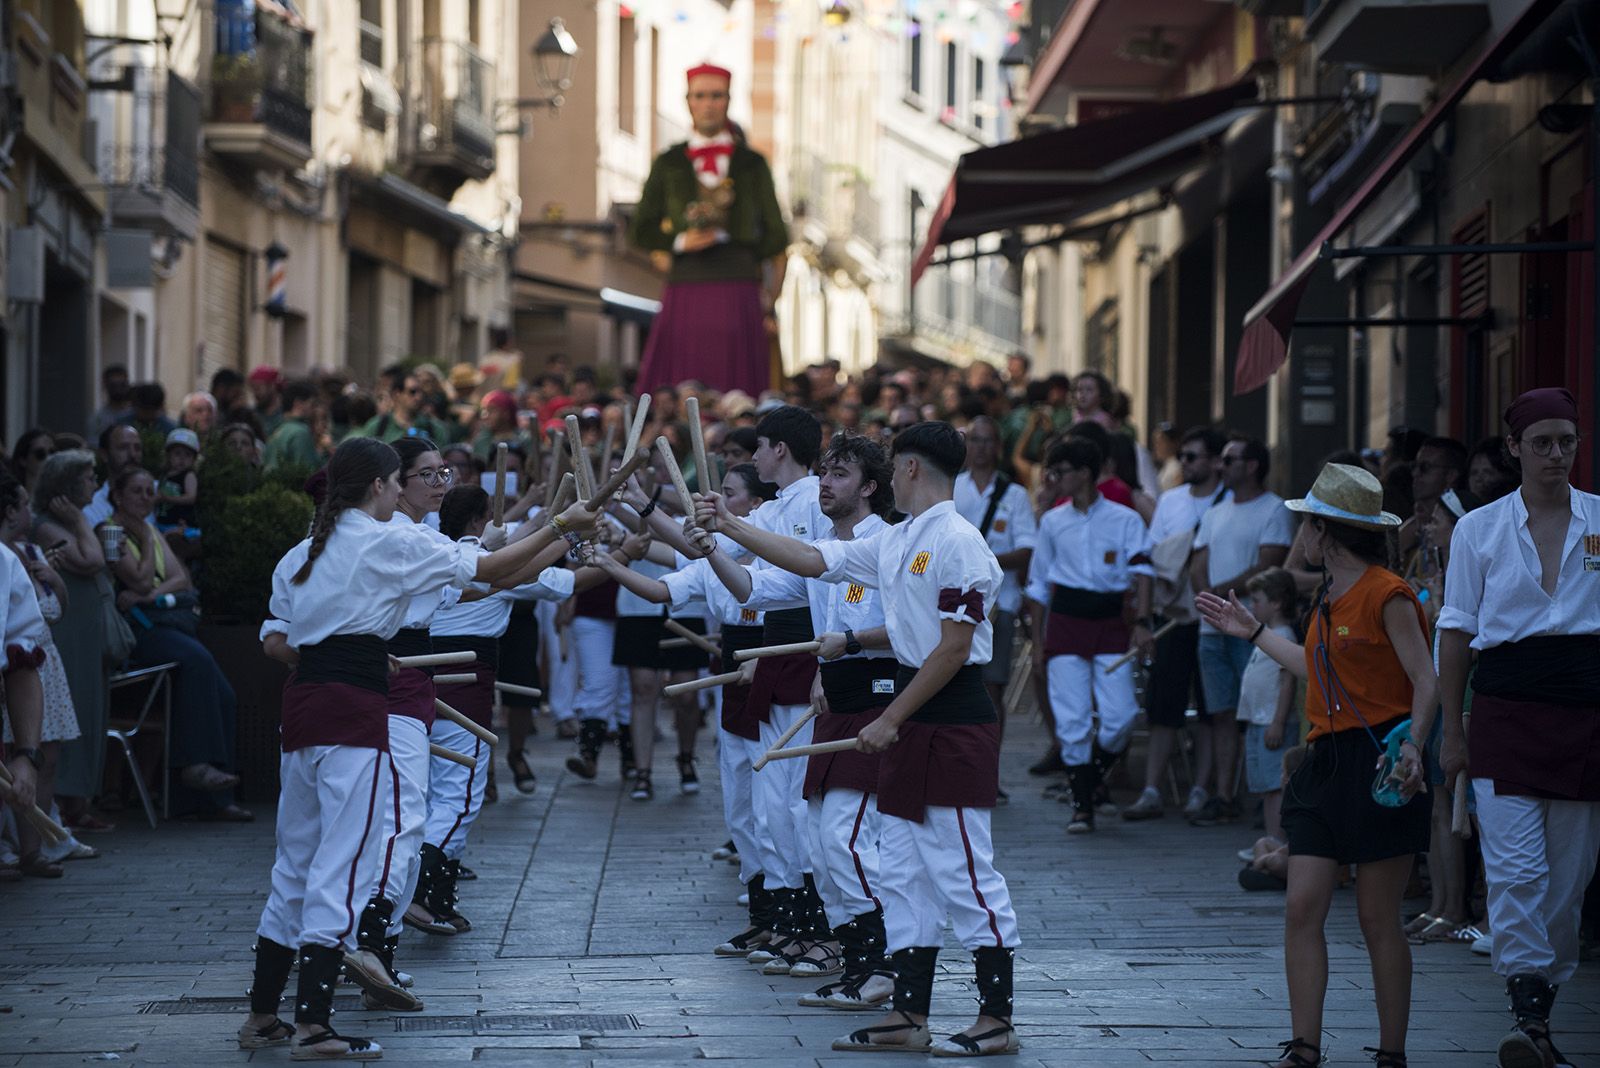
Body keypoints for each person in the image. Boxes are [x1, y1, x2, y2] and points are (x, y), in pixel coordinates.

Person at [239, 436, 598, 1060]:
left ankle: (263, 1015)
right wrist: (563, 524)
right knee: (342, 866)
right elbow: (486, 570)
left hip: (304, 708)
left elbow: (489, 575)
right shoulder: (391, 541)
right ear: (383, 485)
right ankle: (314, 1026)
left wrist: (557, 535)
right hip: (354, 709)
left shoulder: (304, 551)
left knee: (295, 862)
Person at [701, 422, 1021, 1057]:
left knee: (964, 870)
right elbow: (818, 560)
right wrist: (728, 528)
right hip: (914, 716)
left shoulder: (959, 541)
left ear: (906, 470)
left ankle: (997, 1017)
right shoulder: (900, 539)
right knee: (902, 871)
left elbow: (955, 649)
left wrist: (891, 716)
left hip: (952, 721)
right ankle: (909, 1009)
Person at [1197, 462, 1435, 1068]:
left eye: (1306, 521)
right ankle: (1304, 1047)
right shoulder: (1325, 597)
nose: (1299, 530)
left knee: (1377, 917)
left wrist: (1415, 747)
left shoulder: (1388, 592)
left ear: (1325, 532)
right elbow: (1315, 670)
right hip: (1324, 761)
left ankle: (1391, 1052)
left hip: (1380, 759)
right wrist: (1250, 632)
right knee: (1302, 906)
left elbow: (1425, 680)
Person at [1437, 387, 1599, 1068]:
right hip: (1503, 709)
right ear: (1514, 449)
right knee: (1516, 871)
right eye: (1542, 442)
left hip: (1585, 713)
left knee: (1568, 882)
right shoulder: (1478, 529)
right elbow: (1455, 631)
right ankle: (1527, 1015)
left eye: (1566, 441)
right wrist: (1452, 729)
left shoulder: (1599, 522)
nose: (1556, 454)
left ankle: (1541, 1004)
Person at [702, 434, 897, 990]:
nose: (825, 485)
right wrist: (712, 545)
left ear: (870, 487)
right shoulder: (825, 549)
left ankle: (881, 962)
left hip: (880, 700)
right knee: (819, 836)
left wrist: (854, 642)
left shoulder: (886, 544)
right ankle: (854, 958)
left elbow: (917, 627)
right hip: (836, 703)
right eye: (824, 473)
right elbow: (751, 588)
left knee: (845, 838)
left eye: (838, 475)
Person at [602, 464, 777, 955]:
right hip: (735, 672)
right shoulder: (716, 555)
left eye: (729, 493)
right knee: (740, 796)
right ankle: (764, 914)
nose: (716, 500)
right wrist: (613, 557)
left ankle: (794, 920)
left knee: (775, 802)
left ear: (756, 506)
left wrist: (639, 509)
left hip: (771, 667)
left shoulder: (776, 545)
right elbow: (666, 579)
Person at [419, 486, 573, 936]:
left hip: (416, 688)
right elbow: (546, 578)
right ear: (477, 523)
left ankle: (438, 899)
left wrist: (557, 529)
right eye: (492, 518)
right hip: (461, 690)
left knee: (430, 797)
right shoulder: (482, 567)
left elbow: (513, 553)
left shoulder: (430, 551)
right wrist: (575, 540)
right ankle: (413, 891)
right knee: (459, 799)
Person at [629, 63, 787, 395]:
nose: (708, 104)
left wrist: (737, 242)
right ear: (688, 101)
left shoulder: (752, 164)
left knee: (738, 392)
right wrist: (681, 241)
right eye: (700, 96)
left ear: (728, 100)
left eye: (716, 96)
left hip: (738, 287)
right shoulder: (668, 162)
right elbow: (642, 228)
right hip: (685, 286)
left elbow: (777, 234)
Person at [100, 469, 248, 816]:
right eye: (136, 491)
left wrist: (150, 593)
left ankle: (215, 799)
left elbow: (181, 578)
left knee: (224, 694)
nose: (146, 497)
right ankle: (194, 766)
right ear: (118, 496)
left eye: (151, 491)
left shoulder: (148, 528)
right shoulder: (110, 532)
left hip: (163, 621)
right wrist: (150, 548)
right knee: (197, 662)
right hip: (138, 632)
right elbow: (134, 576)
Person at [1025, 437, 1153, 834]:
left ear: (1083, 474)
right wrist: (1038, 643)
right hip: (1066, 621)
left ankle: (1089, 779)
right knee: (1073, 717)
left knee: (1121, 716)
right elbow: (1038, 586)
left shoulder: (1124, 518)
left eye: (1059, 472)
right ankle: (1083, 805)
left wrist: (1144, 623)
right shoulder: (1052, 521)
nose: (1052, 479)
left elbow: (1143, 571)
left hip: (1111, 621)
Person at [1189, 436, 1294, 827]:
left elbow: (1269, 565)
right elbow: (1197, 562)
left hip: (1252, 627)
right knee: (1220, 713)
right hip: (1212, 628)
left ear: (1252, 465)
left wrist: (1222, 593)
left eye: (1230, 459)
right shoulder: (1215, 512)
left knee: (1259, 711)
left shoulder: (1275, 509)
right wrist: (1209, 597)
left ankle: (1265, 793)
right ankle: (1225, 795)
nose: (1221, 466)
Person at [1124, 426, 1227, 821]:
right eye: (1181, 456)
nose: (1183, 463)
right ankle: (1152, 789)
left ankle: (1201, 789)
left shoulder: (1228, 502)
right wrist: (1145, 618)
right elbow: (1151, 561)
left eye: (1192, 457)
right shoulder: (1170, 501)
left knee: (1208, 708)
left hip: (1214, 621)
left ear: (1216, 461)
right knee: (1163, 707)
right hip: (1173, 618)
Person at [0, 470, 78, 877]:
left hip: (42, 671)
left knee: (44, 759)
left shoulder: (8, 563)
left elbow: (20, 659)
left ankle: (34, 849)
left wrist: (26, 754)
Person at [30, 450, 113, 831]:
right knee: (74, 705)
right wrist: (80, 520)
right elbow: (91, 558)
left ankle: (80, 797)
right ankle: (68, 799)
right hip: (70, 631)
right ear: (66, 486)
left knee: (91, 706)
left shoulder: (69, 521)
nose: (94, 483)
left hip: (86, 628)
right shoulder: (48, 525)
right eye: (88, 477)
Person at [953, 416, 1037, 767]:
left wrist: (980, 558)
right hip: (952, 603)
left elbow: (1026, 551)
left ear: (998, 447)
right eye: (975, 440)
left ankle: (988, 767)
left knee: (992, 688)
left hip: (999, 604)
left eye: (988, 441)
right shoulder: (952, 487)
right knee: (951, 686)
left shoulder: (1014, 494)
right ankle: (959, 763)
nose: (981, 447)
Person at [1236, 568, 1300, 845]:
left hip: (1272, 721)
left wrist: (1278, 721)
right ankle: (1269, 840)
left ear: (1276, 603)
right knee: (1264, 785)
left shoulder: (1283, 637)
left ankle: (1277, 841)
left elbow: (1287, 682)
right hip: (1257, 720)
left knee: (1276, 784)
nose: (1253, 607)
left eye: (1258, 600)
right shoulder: (1267, 635)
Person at [83, 425, 144, 529]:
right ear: (104, 455)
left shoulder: (158, 494)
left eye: (137, 448)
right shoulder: (91, 508)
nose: (133, 454)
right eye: (123, 448)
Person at [262, 380, 323, 473]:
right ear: (298, 403)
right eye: (312, 404)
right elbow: (307, 471)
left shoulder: (277, 429)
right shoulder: (300, 432)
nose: (315, 409)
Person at [156, 428, 201, 533]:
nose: (182, 458)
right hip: (163, 521)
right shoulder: (164, 475)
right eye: (177, 453)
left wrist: (167, 498)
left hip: (180, 524)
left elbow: (191, 497)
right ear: (168, 455)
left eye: (187, 455)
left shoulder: (188, 475)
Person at [89, 365, 132, 440]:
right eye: (113, 385)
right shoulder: (97, 419)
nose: (118, 389)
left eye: (122, 384)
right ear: (105, 385)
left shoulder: (137, 414)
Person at [11, 429, 54, 496]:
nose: (48, 459)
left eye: (53, 453)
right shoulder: (10, 500)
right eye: (40, 454)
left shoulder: (64, 500)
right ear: (23, 460)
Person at [248, 367, 285, 437]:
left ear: (272, 386)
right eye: (253, 389)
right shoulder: (250, 414)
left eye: (258, 388)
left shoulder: (286, 413)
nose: (255, 393)